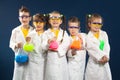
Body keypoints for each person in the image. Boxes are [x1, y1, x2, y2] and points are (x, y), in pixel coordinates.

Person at [43, 11, 70, 80]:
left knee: (61, 76)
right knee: (51, 76)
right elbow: (43, 46)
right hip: (51, 59)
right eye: (52, 18)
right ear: (49, 21)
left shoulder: (64, 33)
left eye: (57, 19)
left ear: (61, 21)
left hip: (61, 59)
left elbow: (66, 44)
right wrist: (48, 42)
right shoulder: (46, 33)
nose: (55, 20)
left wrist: (57, 48)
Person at [85, 13, 112, 80]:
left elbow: (107, 46)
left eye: (99, 24)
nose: (97, 25)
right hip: (94, 64)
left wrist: (107, 56)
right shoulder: (88, 37)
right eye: (94, 23)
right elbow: (93, 49)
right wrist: (102, 56)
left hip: (105, 62)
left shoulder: (104, 34)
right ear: (89, 24)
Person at [9, 6, 33, 80]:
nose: (24, 19)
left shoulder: (34, 31)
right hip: (20, 59)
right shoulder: (15, 31)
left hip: (31, 59)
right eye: (22, 17)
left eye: (26, 17)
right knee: (19, 77)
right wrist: (16, 45)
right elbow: (11, 43)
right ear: (19, 18)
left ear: (30, 18)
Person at [24, 13, 46, 80]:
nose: (38, 24)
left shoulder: (47, 34)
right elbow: (27, 50)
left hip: (44, 61)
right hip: (32, 62)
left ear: (44, 23)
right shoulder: (31, 34)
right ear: (33, 23)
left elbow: (47, 48)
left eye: (41, 22)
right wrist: (27, 42)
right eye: (36, 22)